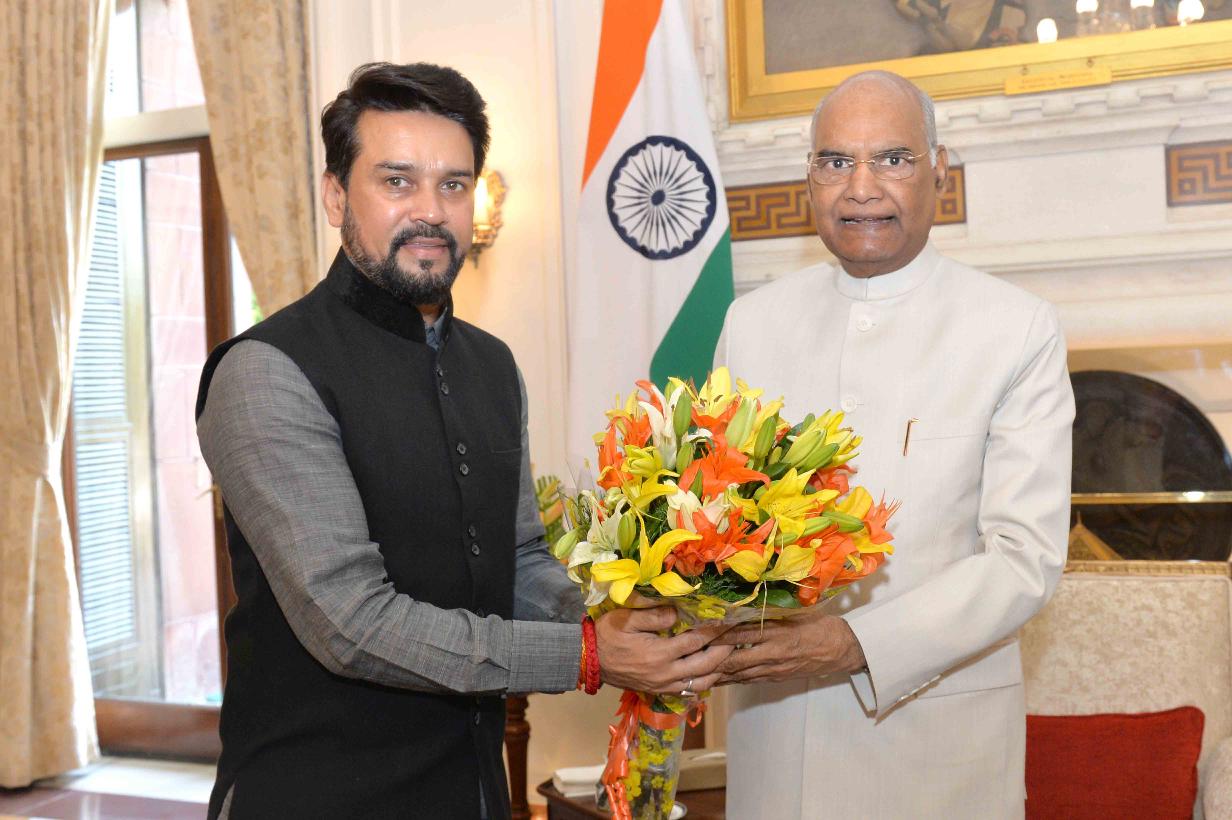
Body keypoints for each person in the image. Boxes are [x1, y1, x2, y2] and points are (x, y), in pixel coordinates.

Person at [195, 62, 730, 820]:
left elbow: (520, 559)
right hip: (318, 794)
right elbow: (350, 622)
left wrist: (629, 617)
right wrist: (587, 654)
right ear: (336, 196)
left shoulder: (492, 364)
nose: (430, 211)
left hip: (471, 789)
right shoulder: (267, 371)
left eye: (453, 184)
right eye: (397, 181)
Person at [713, 70, 1074, 818]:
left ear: (939, 170)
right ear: (808, 178)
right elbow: (717, 517)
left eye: (893, 158)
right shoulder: (752, 324)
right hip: (776, 741)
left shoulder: (1016, 328)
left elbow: (1024, 559)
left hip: (938, 755)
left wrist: (855, 642)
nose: (861, 188)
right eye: (836, 161)